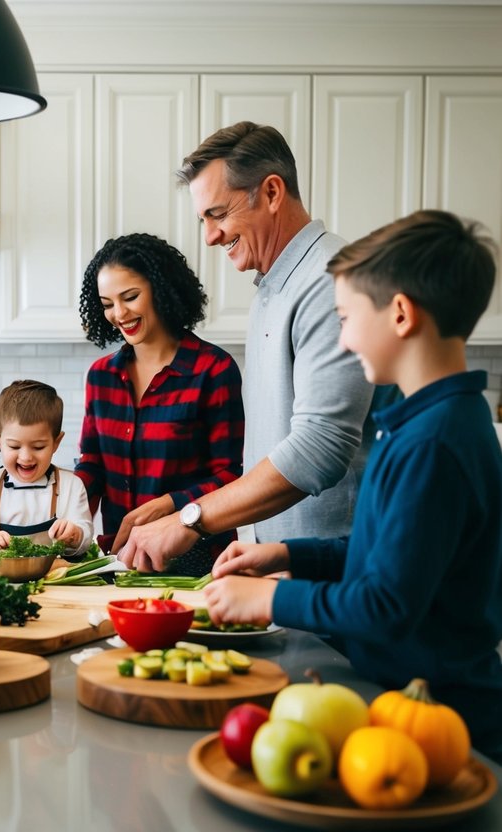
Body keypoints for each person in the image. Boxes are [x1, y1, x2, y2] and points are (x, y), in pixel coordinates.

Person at [204, 210, 502, 763]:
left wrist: (270, 597)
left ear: (401, 315)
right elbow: (385, 556)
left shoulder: (435, 443)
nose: (340, 336)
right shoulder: (422, 422)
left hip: (445, 728)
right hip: (406, 705)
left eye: (344, 317)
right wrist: (286, 553)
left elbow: (385, 604)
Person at [118, 122, 378, 573]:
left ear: (272, 192)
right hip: (281, 566)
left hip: (333, 573)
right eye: (203, 219)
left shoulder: (329, 280)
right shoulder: (272, 287)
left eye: (218, 214)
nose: (210, 236)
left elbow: (320, 448)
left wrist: (192, 518)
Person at [74, 233, 245, 575]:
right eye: (107, 304)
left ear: (161, 288)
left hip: (196, 559)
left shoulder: (213, 369)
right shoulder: (101, 376)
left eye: (130, 297)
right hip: (122, 559)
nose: (119, 314)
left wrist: (169, 507)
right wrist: (67, 514)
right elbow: (93, 465)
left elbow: (229, 476)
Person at [0, 380, 93, 557]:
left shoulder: (71, 485)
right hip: (5, 580)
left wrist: (75, 535)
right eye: (14, 446)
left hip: (54, 578)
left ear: (56, 443)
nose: (26, 457)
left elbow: (86, 536)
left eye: (38, 447)